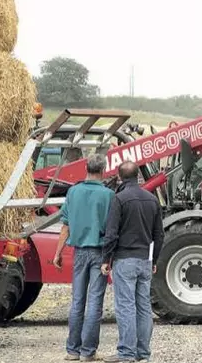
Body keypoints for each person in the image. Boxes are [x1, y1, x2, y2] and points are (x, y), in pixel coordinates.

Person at [101, 161, 164, 363]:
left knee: (126, 306)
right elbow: (159, 235)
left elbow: (111, 234)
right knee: (144, 307)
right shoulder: (152, 199)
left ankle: (126, 354)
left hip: (124, 260)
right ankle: (143, 354)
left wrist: (106, 259)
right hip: (145, 260)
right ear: (138, 175)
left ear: (119, 177)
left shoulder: (119, 199)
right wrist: (154, 259)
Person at [53, 154, 114, 362]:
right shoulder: (108, 195)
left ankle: (72, 351)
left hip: (79, 252)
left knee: (77, 301)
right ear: (103, 170)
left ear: (86, 168)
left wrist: (58, 253)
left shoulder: (73, 192)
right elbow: (112, 229)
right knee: (95, 302)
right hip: (100, 252)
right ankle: (88, 352)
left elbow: (65, 227)